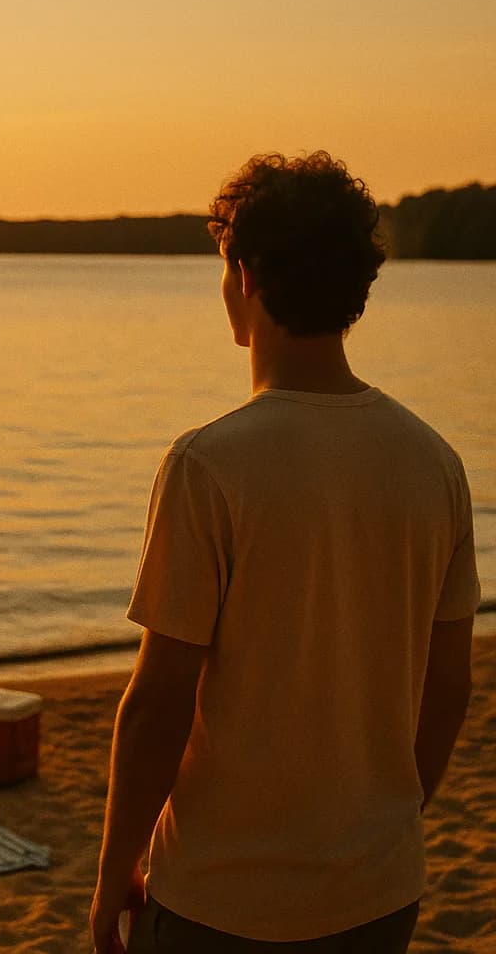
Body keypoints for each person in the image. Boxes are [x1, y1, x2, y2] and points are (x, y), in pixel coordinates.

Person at [91, 153, 480, 953]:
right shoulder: (434, 462)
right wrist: (395, 817)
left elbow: (159, 700)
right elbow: (448, 682)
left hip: (222, 901)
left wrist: (112, 873)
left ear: (246, 278)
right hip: (379, 892)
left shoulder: (209, 465)